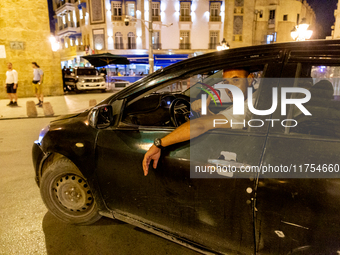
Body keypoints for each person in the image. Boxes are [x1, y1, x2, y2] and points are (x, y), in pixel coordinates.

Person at [142, 68, 255, 176]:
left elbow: (201, 125)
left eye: (236, 80)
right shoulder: (249, 101)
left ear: (250, 79)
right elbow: (217, 123)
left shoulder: (247, 107)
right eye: (226, 82)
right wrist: (204, 111)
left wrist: (159, 143)